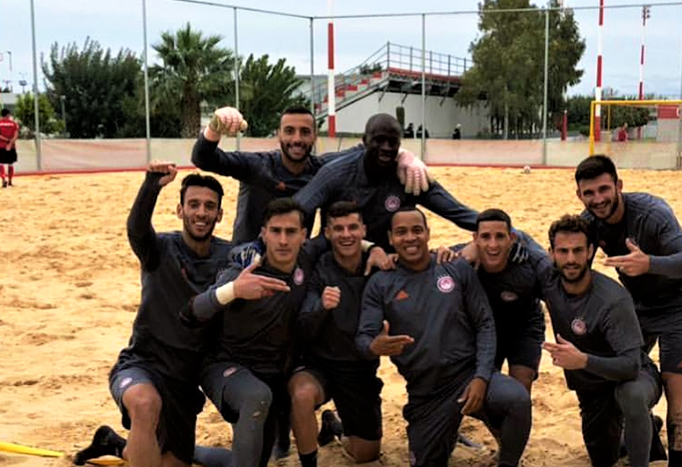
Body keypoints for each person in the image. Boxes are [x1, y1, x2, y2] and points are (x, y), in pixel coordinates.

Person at [72, 163, 231, 467]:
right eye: (193, 204)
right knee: (144, 405)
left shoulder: (229, 255)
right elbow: (136, 229)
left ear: (220, 214)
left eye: (209, 206)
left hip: (184, 383)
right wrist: (150, 187)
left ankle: (112, 442)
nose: (201, 212)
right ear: (179, 210)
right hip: (143, 363)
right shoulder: (159, 248)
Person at [356, 208, 534, 467]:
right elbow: (363, 340)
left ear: (428, 233)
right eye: (401, 232)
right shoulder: (381, 283)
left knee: (517, 399)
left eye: (416, 230)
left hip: (466, 375)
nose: (410, 238)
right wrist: (376, 345)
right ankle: (444, 433)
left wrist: (481, 376)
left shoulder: (453, 268)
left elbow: (485, 324)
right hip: (426, 392)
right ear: (390, 239)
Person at [575, 154, 682, 467]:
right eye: (589, 193)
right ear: (579, 196)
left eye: (604, 189)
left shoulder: (653, 214)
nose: (598, 199)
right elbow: (564, 255)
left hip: (679, 301)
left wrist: (649, 263)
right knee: (622, 370)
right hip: (637, 306)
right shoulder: (590, 223)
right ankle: (649, 434)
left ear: (619, 186)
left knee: (676, 384)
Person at [182, 198, 311, 467]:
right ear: (263, 234)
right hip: (224, 367)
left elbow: (348, 239)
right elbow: (191, 312)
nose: (283, 240)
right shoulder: (242, 269)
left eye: (291, 232)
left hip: (271, 376)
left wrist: (374, 248)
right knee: (258, 397)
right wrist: (233, 290)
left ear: (304, 235)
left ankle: (180, 449)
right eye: (276, 231)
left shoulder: (309, 261)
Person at [540, 215, 663, 467]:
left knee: (632, 395)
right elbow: (504, 251)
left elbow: (631, 365)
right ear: (551, 253)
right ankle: (649, 430)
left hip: (632, 375)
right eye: (563, 251)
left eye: (578, 251)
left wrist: (582, 360)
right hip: (592, 389)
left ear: (592, 251)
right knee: (602, 459)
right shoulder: (547, 280)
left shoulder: (612, 298)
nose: (571, 259)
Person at [191, 106, 431, 244]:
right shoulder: (256, 165)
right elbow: (203, 158)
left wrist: (407, 156)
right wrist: (214, 125)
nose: (297, 139)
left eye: (305, 132)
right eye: (290, 131)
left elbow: (370, 149)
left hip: (297, 260)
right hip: (248, 259)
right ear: (279, 135)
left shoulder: (323, 169)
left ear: (315, 136)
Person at [290, 201, 385, 467]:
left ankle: (333, 424)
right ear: (328, 233)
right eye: (339, 228)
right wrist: (322, 306)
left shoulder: (379, 265)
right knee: (302, 395)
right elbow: (302, 325)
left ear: (364, 231)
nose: (346, 234)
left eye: (353, 227)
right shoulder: (319, 269)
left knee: (366, 454)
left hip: (359, 370)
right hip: (319, 365)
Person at [296, 113, 478, 251]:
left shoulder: (409, 175)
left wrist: (501, 230)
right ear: (364, 141)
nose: (386, 148)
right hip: (340, 261)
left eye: (393, 143)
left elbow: (457, 212)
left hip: (391, 265)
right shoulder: (336, 173)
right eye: (379, 140)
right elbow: (296, 210)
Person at [451, 210, 548, 393]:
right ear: (475, 239)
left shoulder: (527, 267)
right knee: (480, 389)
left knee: (520, 390)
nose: (493, 245)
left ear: (511, 238)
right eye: (486, 237)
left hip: (523, 326)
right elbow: (425, 265)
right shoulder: (460, 259)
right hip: (482, 331)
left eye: (500, 237)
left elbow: (559, 292)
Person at [0, 108, 19, 188]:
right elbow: (16, 135)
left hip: (0, 146)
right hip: (11, 146)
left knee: (1, 163)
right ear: (8, 114)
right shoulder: (13, 123)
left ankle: (3, 179)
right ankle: (10, 181)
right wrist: (10, 143)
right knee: (10, 164)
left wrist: (6, 140)